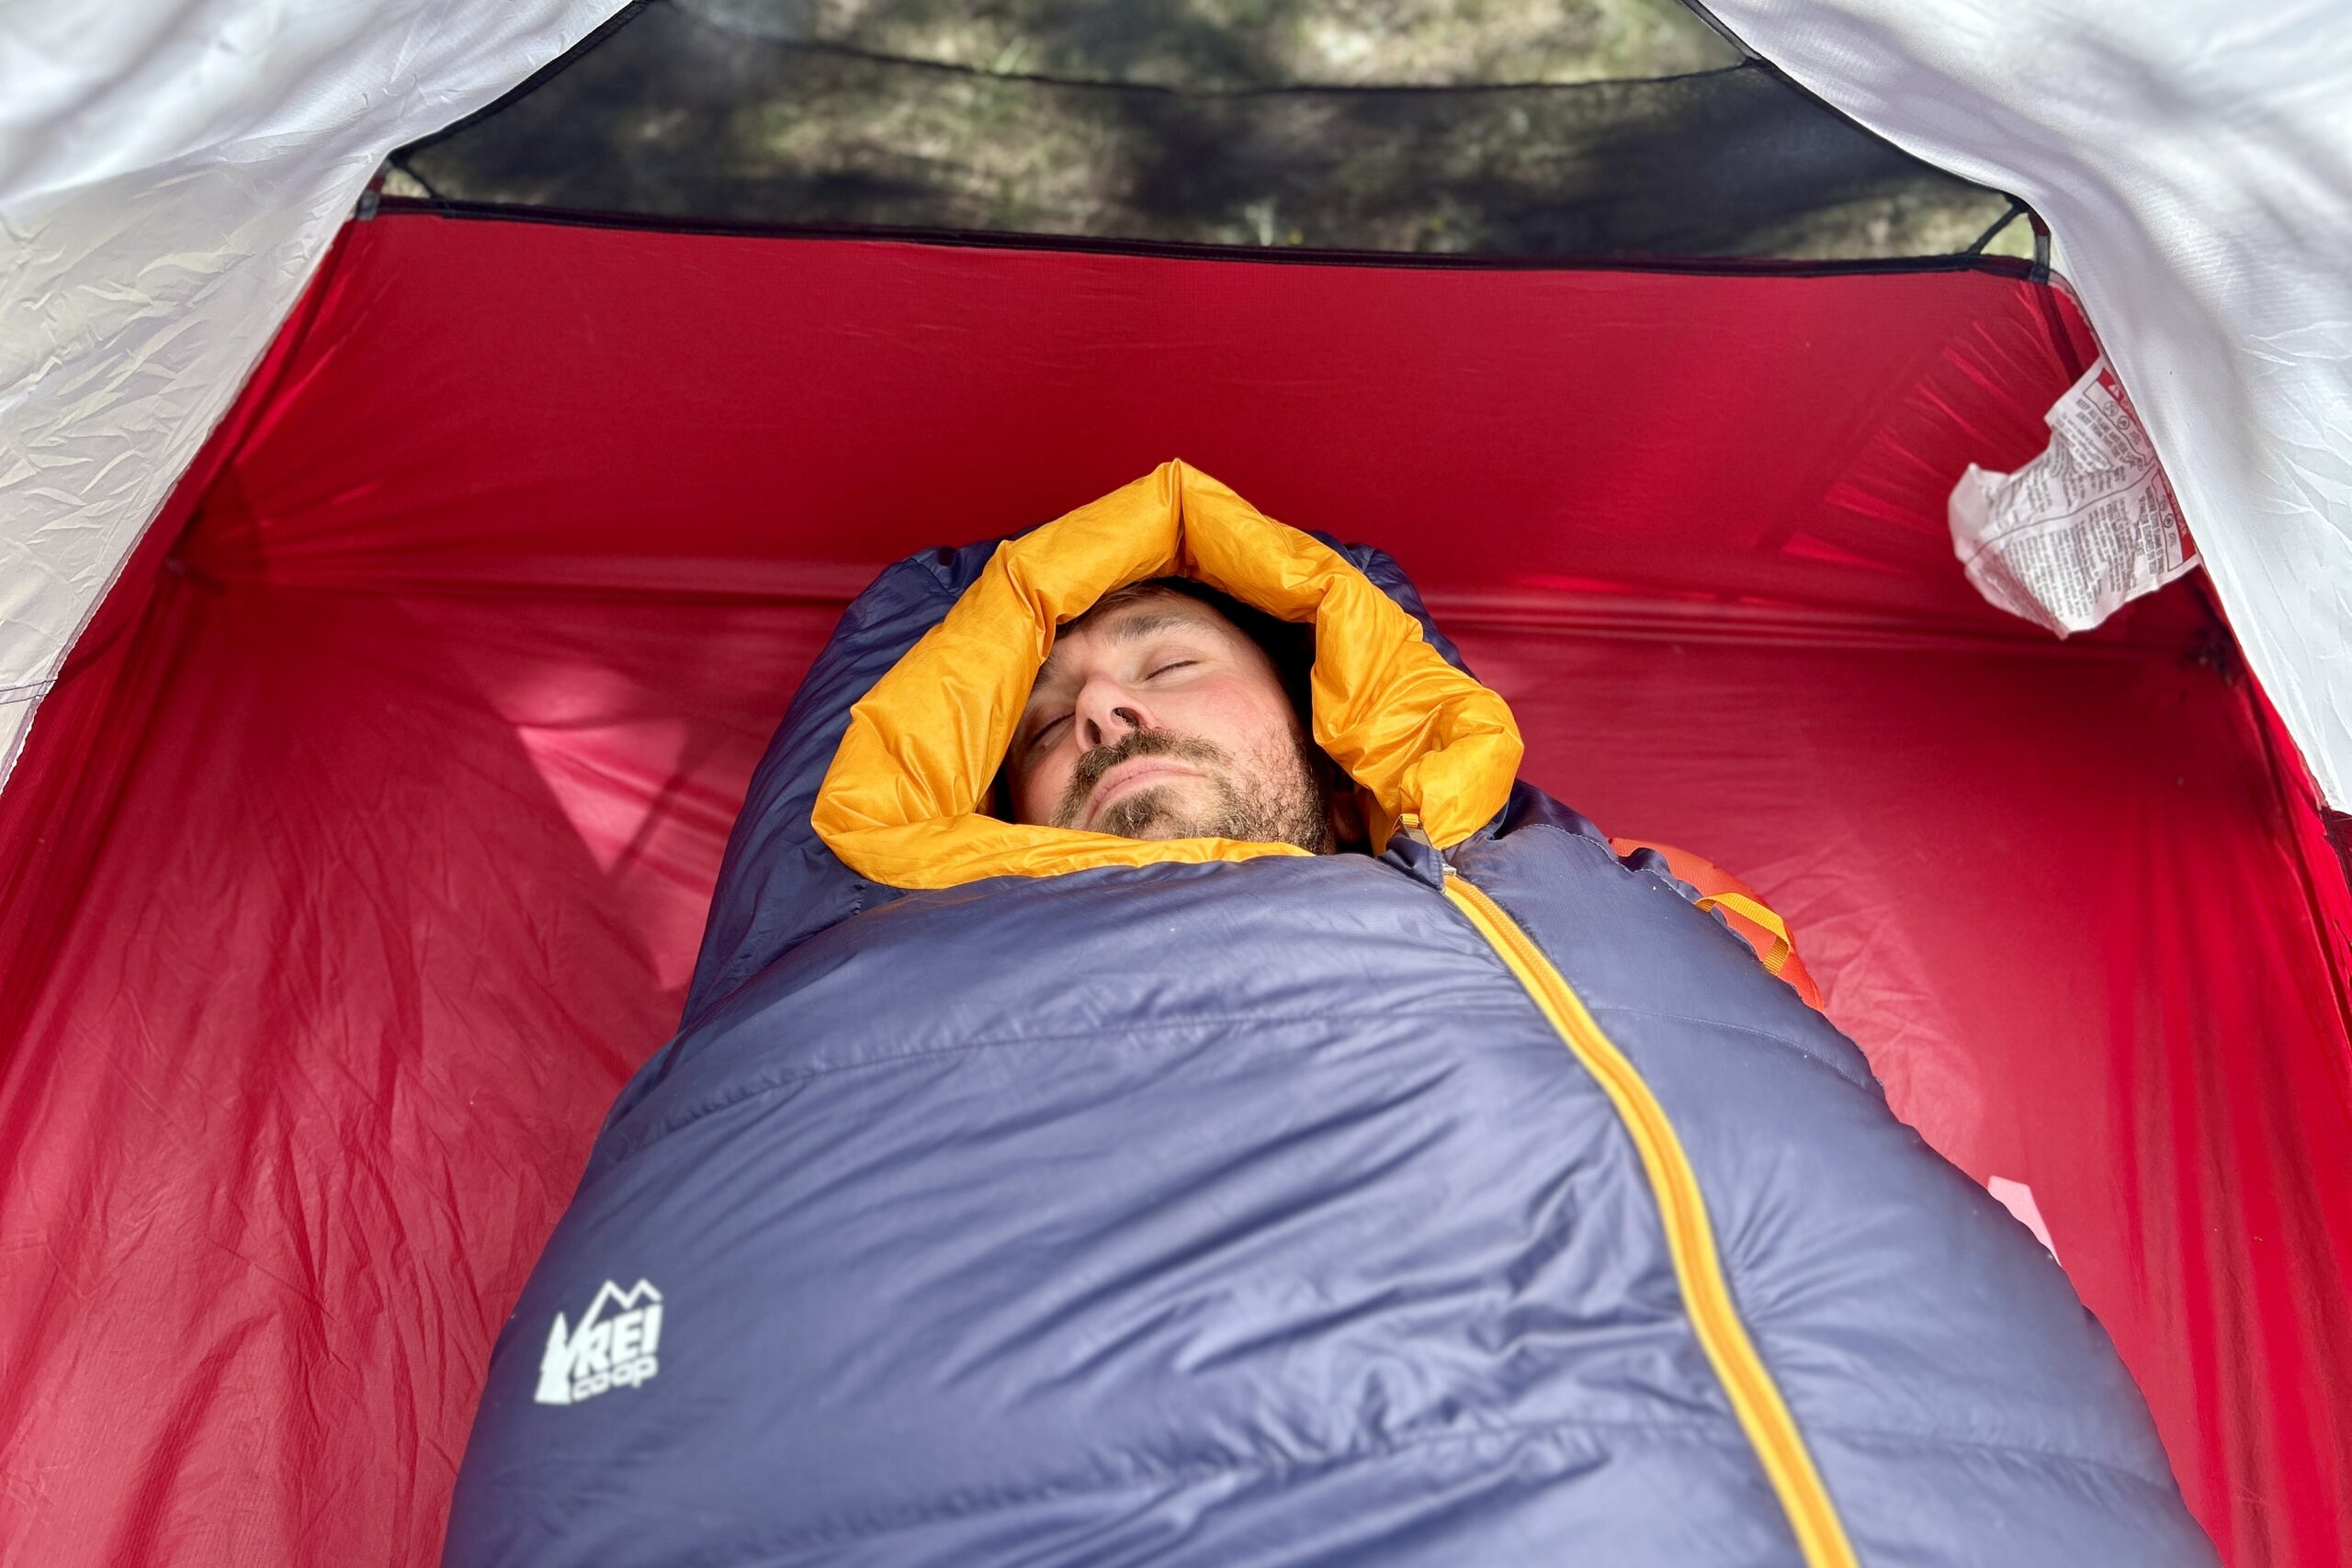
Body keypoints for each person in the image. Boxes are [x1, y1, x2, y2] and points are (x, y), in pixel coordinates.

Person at [445, 462, 2215, 1568]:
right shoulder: (843, 995)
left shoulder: (1606, 904)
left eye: (1163, 667)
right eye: (1048, 714)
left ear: (1317, 716)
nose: (1109, 720)